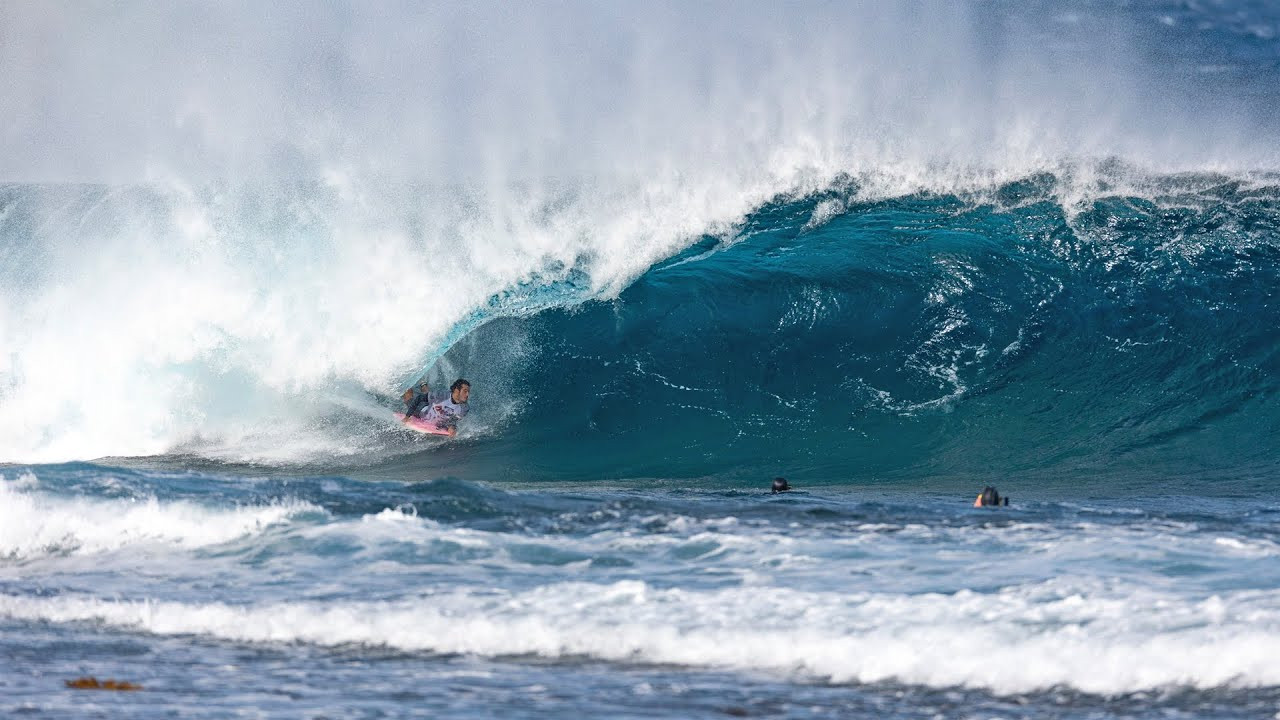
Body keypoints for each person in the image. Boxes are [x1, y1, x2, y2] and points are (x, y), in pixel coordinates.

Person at [403, 378, 471, 437]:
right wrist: (407, 416)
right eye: (465, 391)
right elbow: (419, 399)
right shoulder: (441, 395)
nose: (467, 394)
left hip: (434, 410)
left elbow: (453, 420)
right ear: (456, 390)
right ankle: (407, 381)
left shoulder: (464, 408)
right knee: (408, 398)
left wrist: (452, 427)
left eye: (468, 392)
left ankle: (423, 384)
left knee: (430, 396)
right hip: (422, 411)